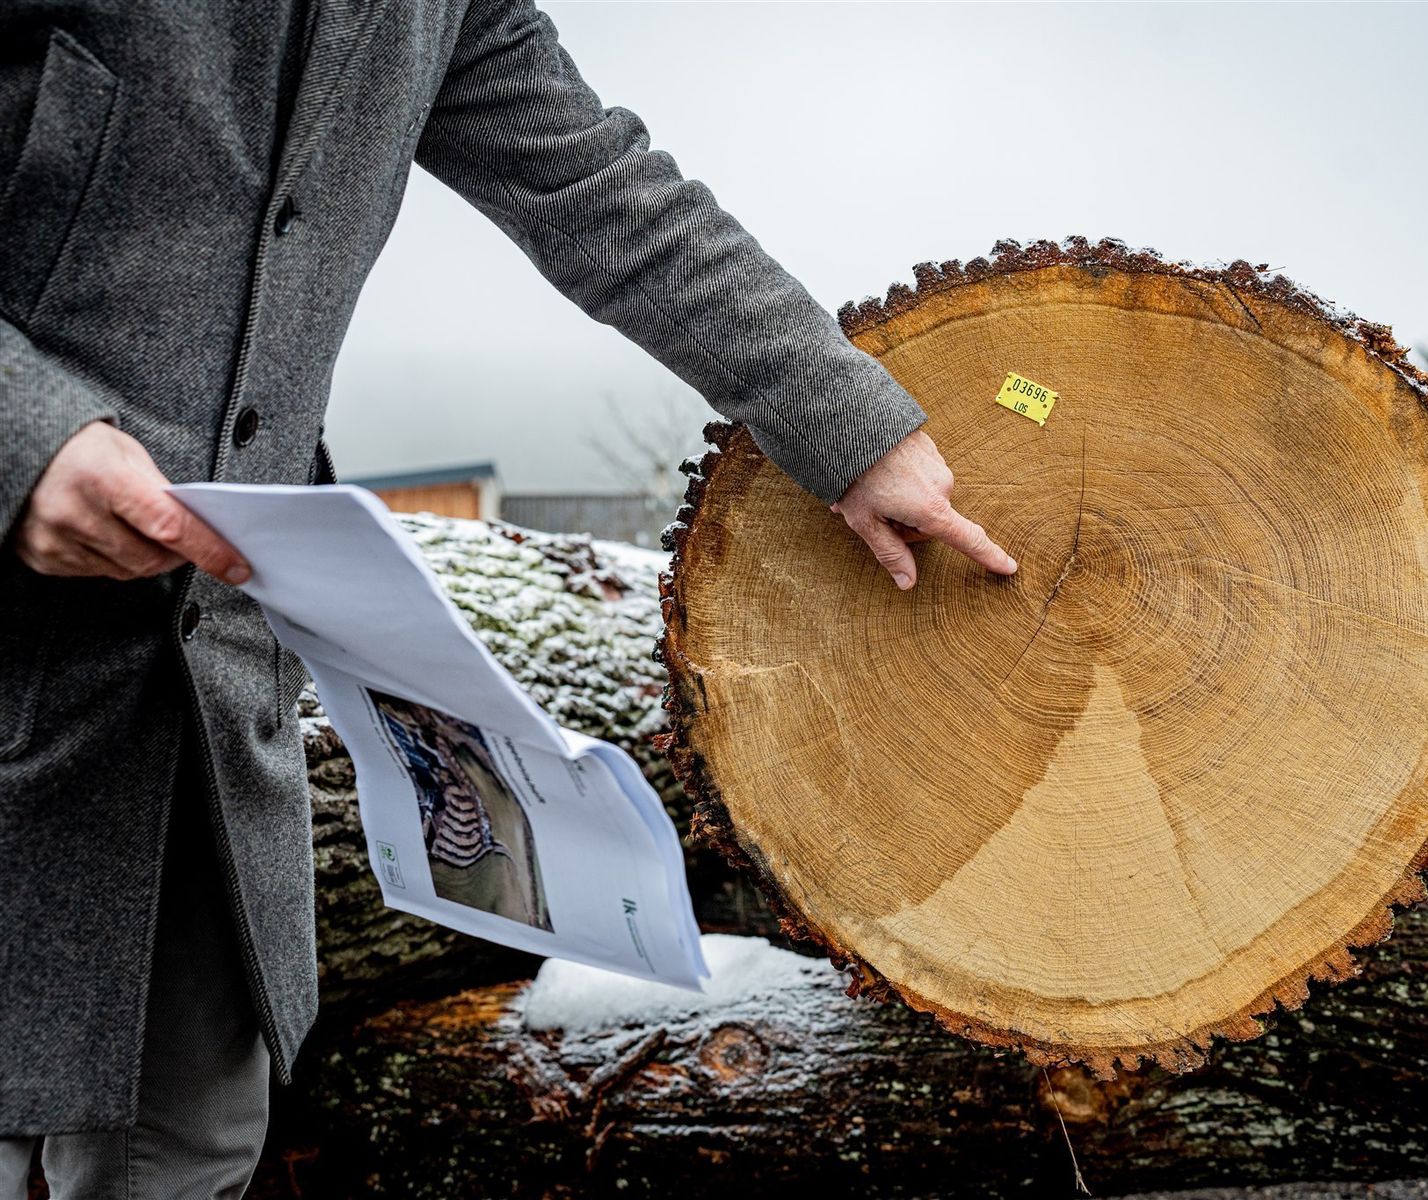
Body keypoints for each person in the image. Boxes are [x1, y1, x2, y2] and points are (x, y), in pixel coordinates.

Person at [0, 1, 1016, 1194]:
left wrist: (851, 430)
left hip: (208, 731)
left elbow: (600, 191)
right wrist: (24, 440)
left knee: (187, 1153)